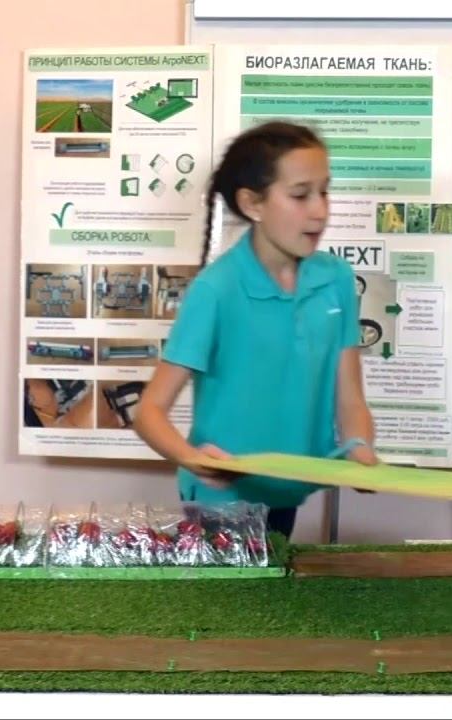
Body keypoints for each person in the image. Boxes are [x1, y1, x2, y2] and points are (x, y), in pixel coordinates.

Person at [133, 121, 378, 539]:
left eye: (324, 192)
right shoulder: (216, 290)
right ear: (253, 203)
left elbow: (351, 399)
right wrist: (193, 459)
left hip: (287, 493)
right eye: (300, 195)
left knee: (277, 578)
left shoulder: (336, 279)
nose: (319, 210)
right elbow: (148, 412)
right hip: (220, 504)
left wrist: (360, 448)